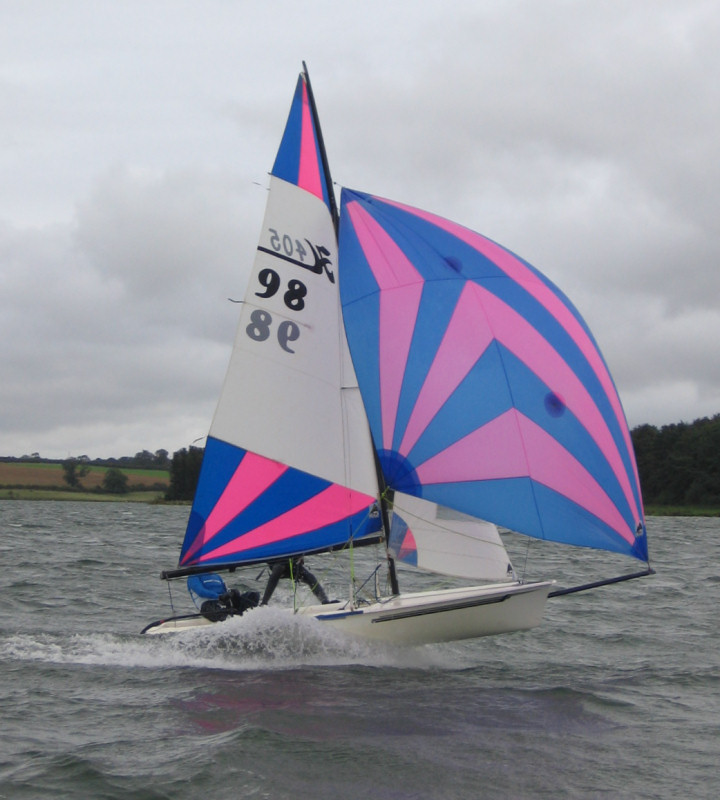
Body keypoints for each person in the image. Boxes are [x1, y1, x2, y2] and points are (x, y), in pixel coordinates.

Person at [261, 556, 329, 605]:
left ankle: (325, 601)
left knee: (310, 577)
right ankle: (264, 603)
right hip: (277, 563)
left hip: (293, 564)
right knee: (278, 569)